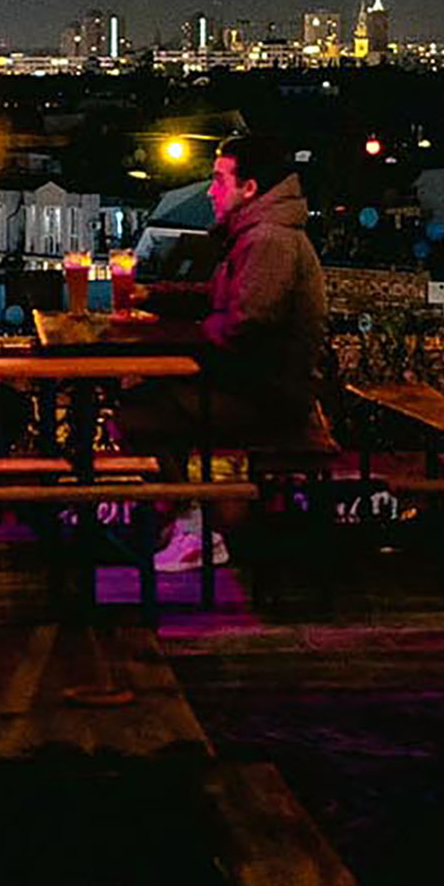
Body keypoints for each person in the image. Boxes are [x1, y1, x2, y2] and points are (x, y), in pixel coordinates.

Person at [118, 131, 329, 570]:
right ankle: (186, 520)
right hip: (260, 386)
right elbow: (218, 300)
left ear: (249, 188)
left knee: (140, 415)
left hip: (266, 397)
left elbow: (246, 321)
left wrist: (177, 339)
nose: (211, 191)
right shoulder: (259, 234)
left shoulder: (267, 239)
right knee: (145, 402)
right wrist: (153, 297)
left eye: (219, 180)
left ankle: (191, 525)